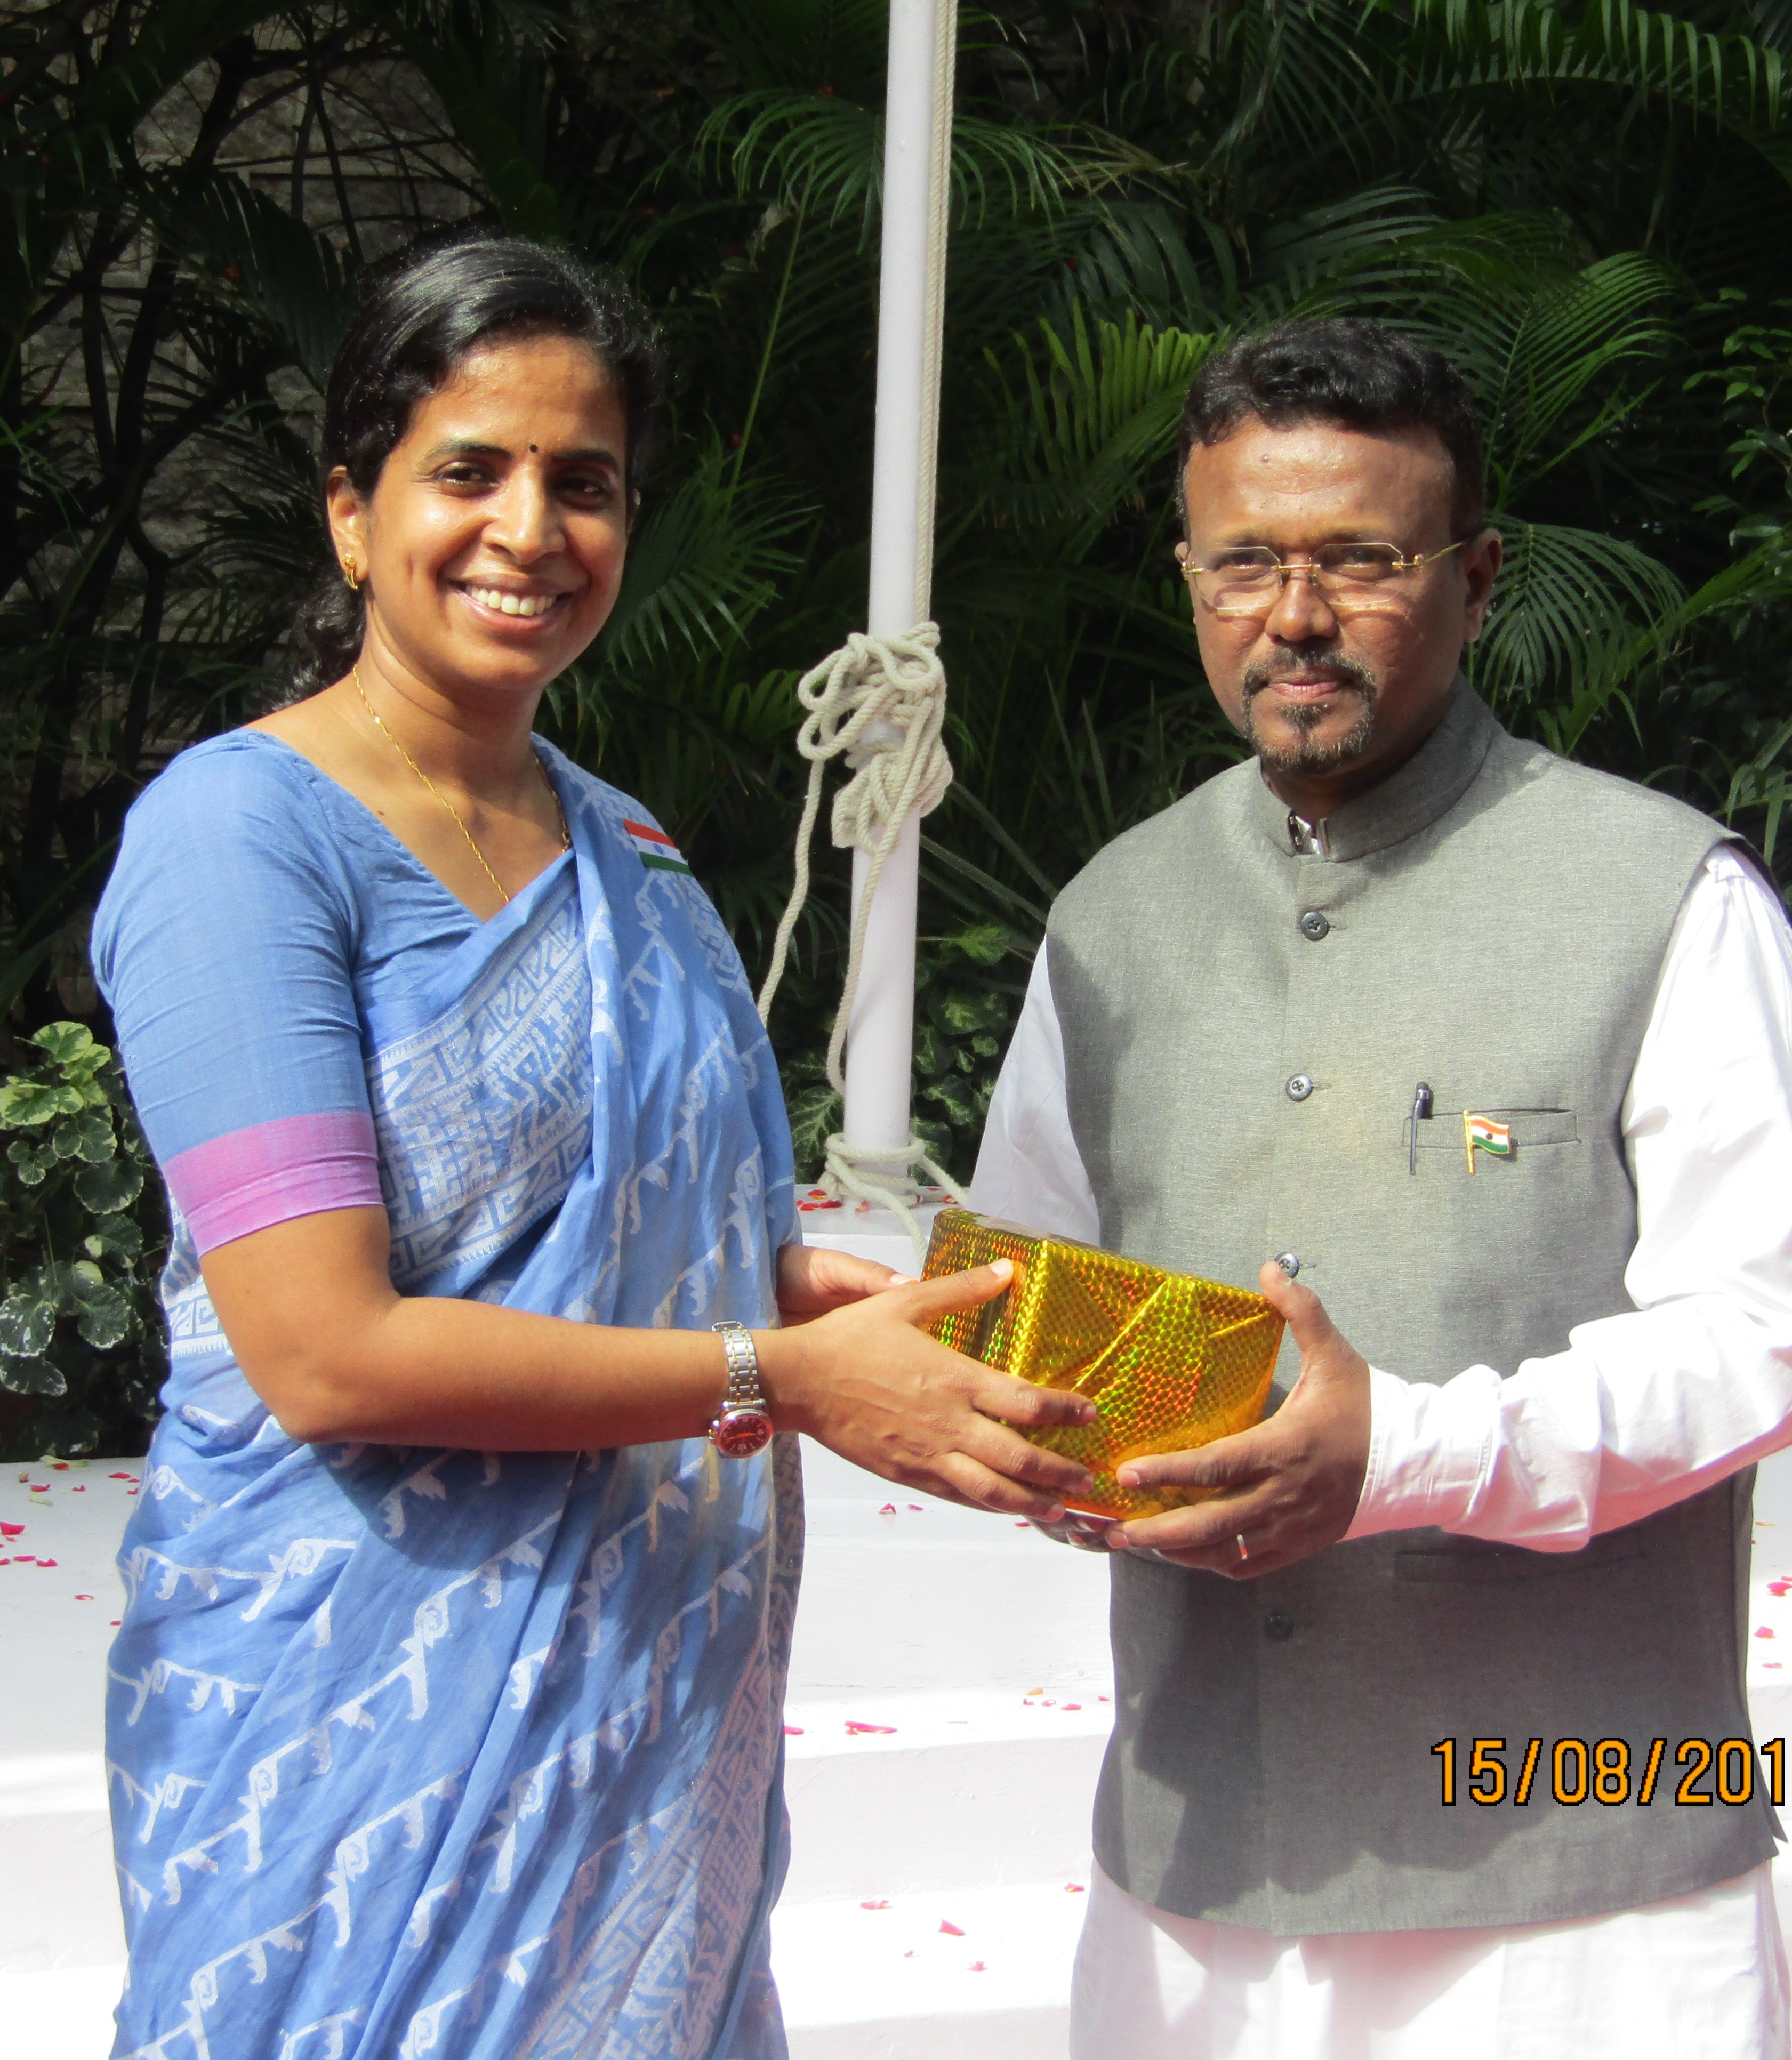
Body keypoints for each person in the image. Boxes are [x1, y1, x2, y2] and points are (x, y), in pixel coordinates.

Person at [91, 233, 1094, 2060]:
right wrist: (776, 1372)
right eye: (468, 469)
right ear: (350, 510)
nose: (529, 528)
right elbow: (323, 1351)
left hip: (647, 1701)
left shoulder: (631, 851)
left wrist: (873, 1341)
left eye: (587, 482)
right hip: (352, 1720)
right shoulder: (242, 841)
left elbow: (661, 1236)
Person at [970, 317, 1792, 2059]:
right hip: (1194, 1880)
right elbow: (1024, 1295)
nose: (1293, 616)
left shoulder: (1661, 891)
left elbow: (1775, 1333)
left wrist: (1409, 1453)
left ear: (1478, 576)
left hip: (1583, 1881)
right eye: (1243, 563)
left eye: (1360, 559)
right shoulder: (1112, 921)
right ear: (1190, 575)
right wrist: (1015, 1433)